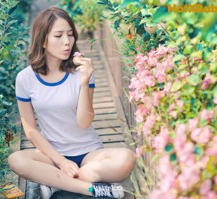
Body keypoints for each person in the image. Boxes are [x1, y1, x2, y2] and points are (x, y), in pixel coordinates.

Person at [7, 6, 135, 199]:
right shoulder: (25, 78)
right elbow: (31, 131)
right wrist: (61, 162)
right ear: (42, 40)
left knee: (126, 158)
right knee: (16, 160)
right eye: (58, 36)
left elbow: (84, 123)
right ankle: (90, 189)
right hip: (50, 156)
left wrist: (84, 83)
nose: (67, 42)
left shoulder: (82, 73)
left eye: (70, 35)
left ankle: (56, 184)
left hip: (89, 155)